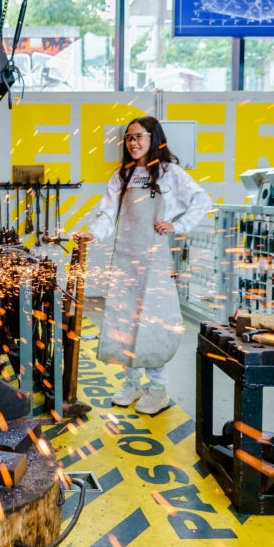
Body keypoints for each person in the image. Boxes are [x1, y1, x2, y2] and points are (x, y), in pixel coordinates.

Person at [83, 115, 211, 415]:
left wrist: (177, 226)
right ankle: (132, 381)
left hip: (154, 261)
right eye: (128, 138)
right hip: (125, 260)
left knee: (153, 320)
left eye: (139, 136)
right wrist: (94, 233)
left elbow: (201, 200)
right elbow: (106, 214)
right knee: (125, 319)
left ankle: (158, 388)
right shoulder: (123, 175)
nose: (133, 143)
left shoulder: (170, 173)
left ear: (154, 138)